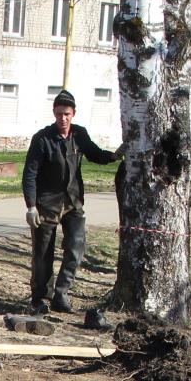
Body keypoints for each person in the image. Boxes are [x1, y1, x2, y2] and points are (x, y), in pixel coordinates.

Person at [20, 89, 119, 316]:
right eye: (58, 114)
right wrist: (31, 206)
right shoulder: (42, 139)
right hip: (46, 204)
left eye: (66, 114)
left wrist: (114, 156)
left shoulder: (79, 135)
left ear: (73, 114)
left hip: (73, 202)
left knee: (75, 247)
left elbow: (94, 153)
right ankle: (40, 299)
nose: (62, 118)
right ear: (53, 114)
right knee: (42, 254)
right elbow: (29, 174)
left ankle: (61, 294)